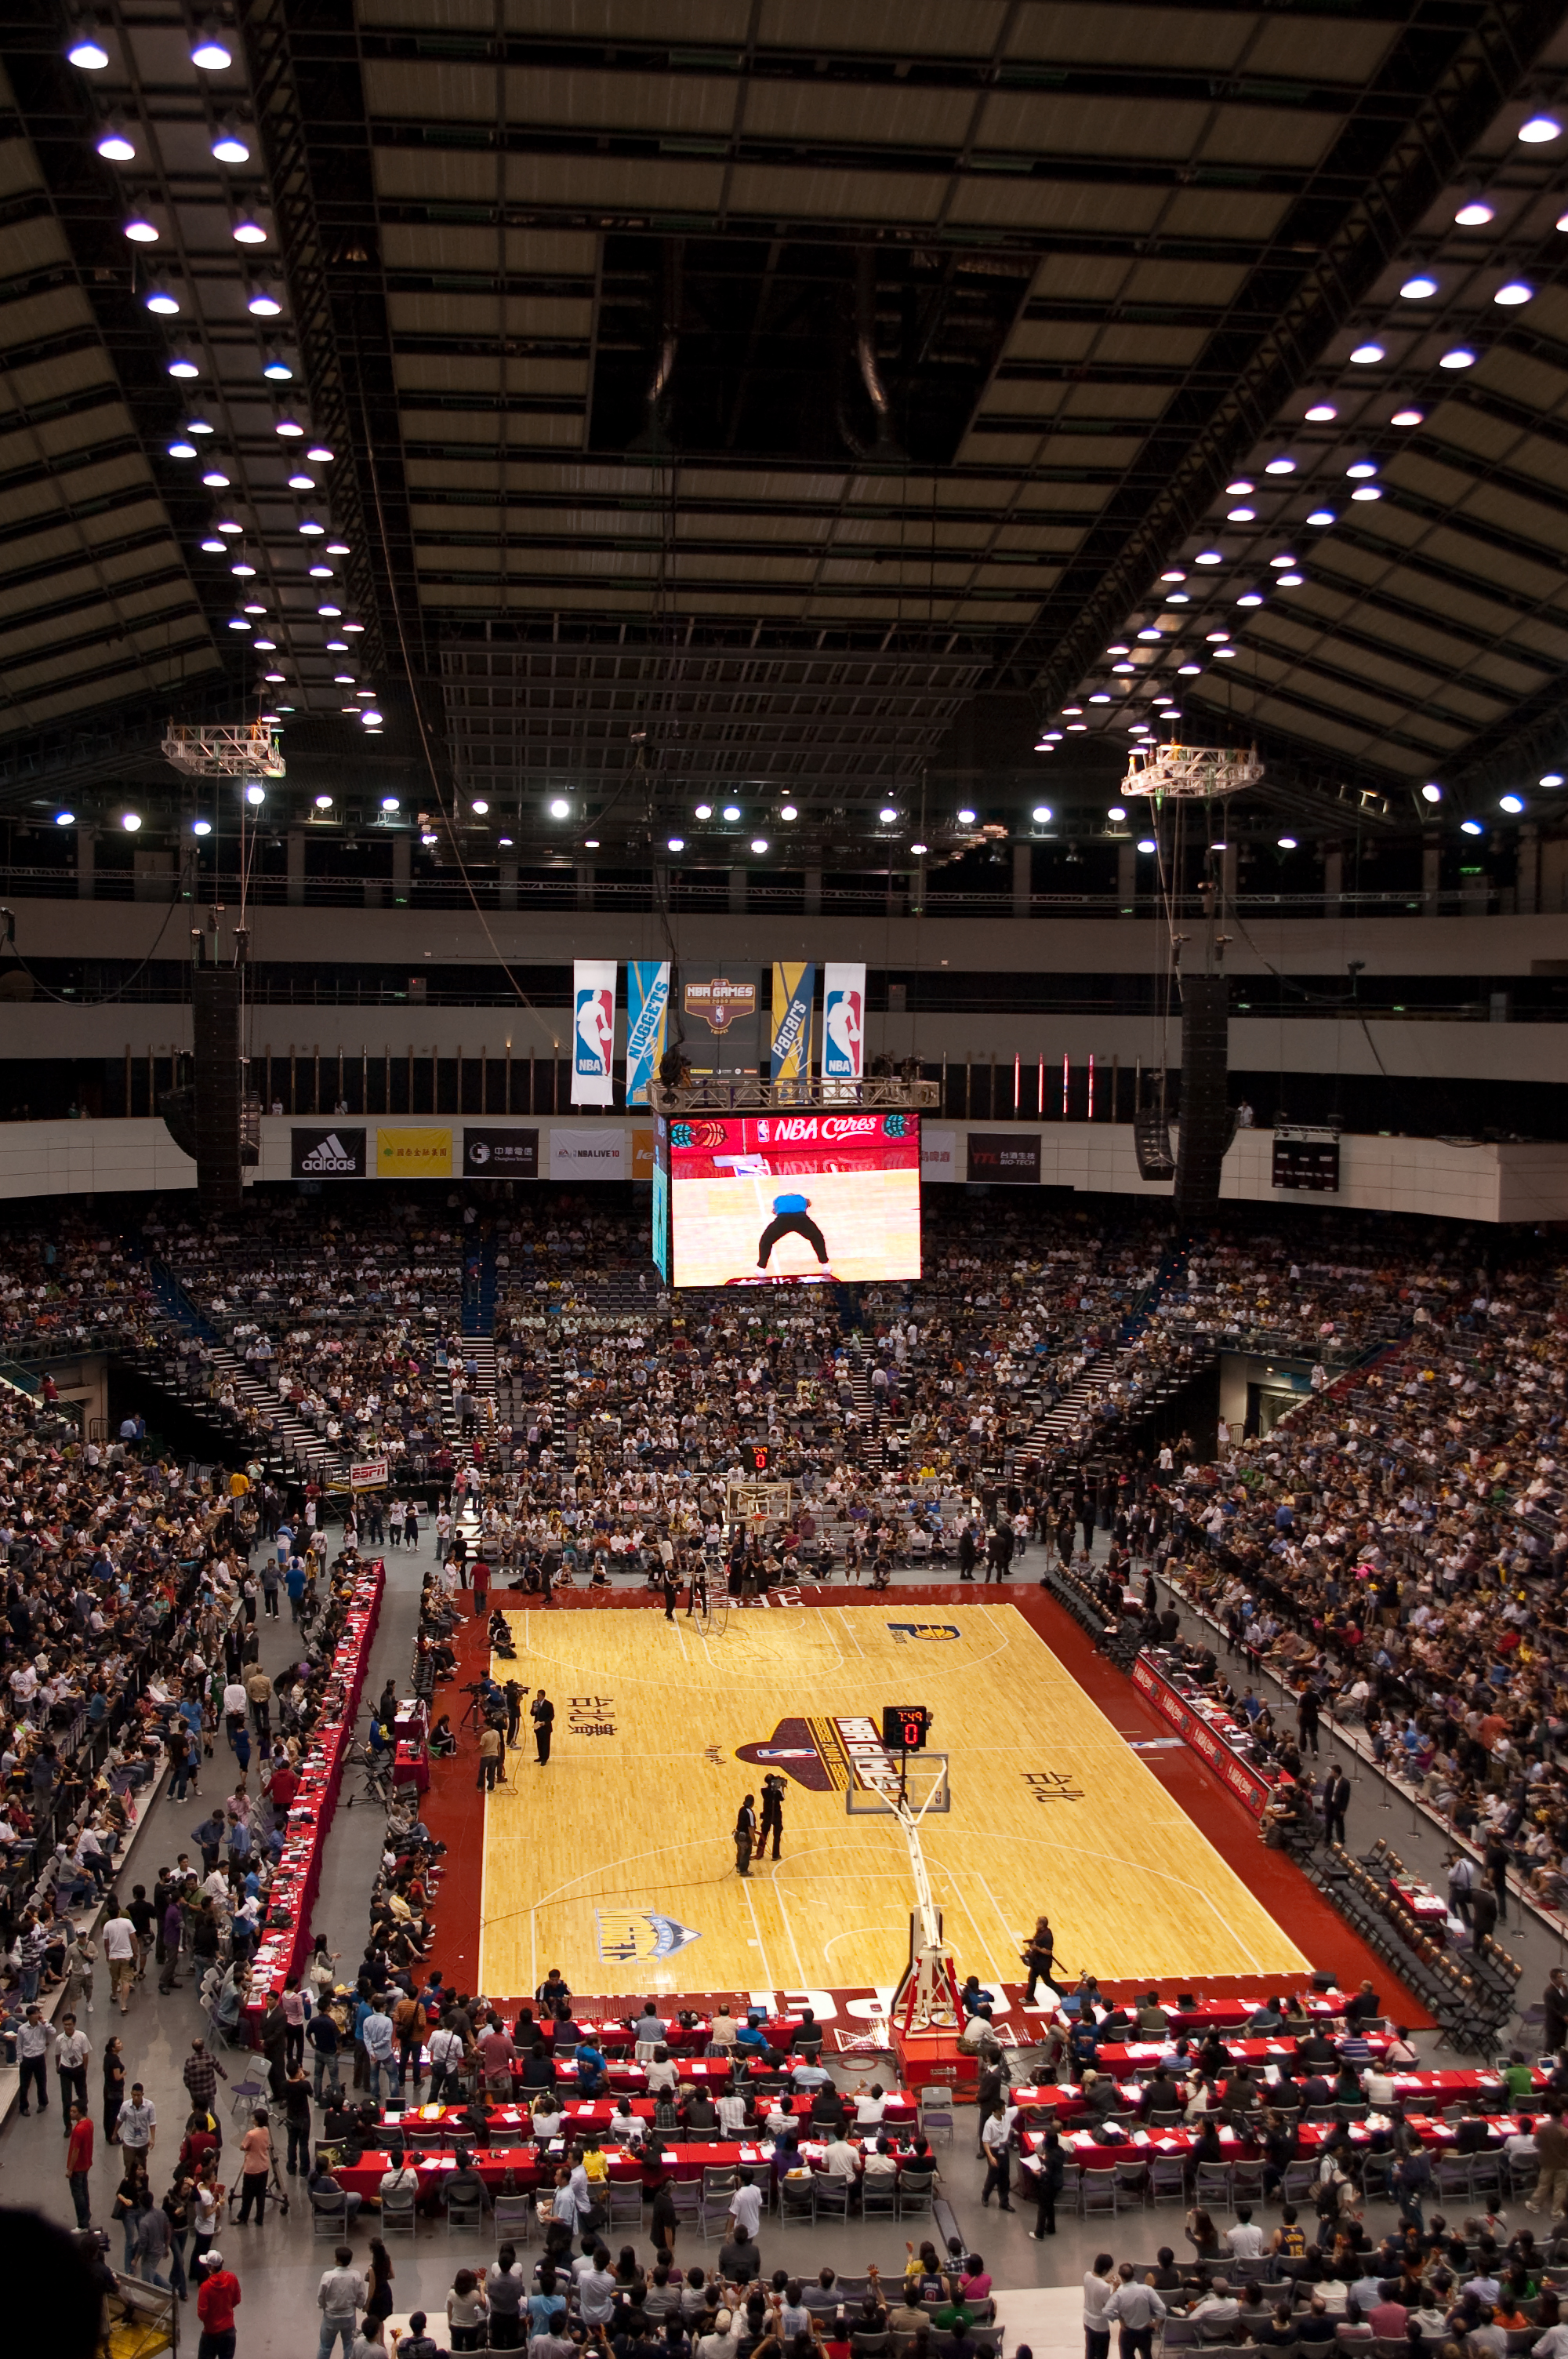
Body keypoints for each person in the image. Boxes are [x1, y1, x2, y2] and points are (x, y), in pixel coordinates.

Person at [1102, 2262, 1166, 2359]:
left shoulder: (1119, 2295)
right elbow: (1161, 2308)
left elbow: (1106, 2311)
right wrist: (1156, 2323)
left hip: (1128, 2332)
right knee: (1146, 2355)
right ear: (1134, 2274)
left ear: (1121, 2277)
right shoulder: (1147, 2290)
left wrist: (1119, 2316)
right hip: (1145, 2331)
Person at [318, 2245, 366, 2359]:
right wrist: (358, 2305)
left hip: (331, 2317)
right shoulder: (355, 2276)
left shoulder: (328, 2276)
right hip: (349, 2317)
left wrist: (322, 2305)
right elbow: (361, 2296)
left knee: (325, 2347)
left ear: (336, 2259)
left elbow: (321, 2296)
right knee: (349, 2346)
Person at [195, 2248, 241, 2359]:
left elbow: (202, 2313)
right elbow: (237, 2299)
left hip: (211, 2334)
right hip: (229, 2332)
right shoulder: (232, 2278)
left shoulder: (205, 2287)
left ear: (210, 2267)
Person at [236, 2108, 273, 2223]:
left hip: (252, 2168)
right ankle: (259, 2217)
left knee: (247, 2195)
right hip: (264, 2166)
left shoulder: (251, 2134)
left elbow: (243, 2147)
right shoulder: (266, 2130)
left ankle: (243, 2217)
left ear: (257, 2121)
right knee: (260, 2194)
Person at [1029, 2125, 1064, 2238]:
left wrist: (1036, 2173)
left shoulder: (1049, 2157)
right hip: (1059, 2182)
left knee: (1043, 2207)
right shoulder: (1060, 2150)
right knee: (1050, 2204)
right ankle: (1051, 2227)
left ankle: (1039, 2233)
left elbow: (1046, 2173)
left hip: (1050, 2184)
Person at [66, 2100, 94, 2226]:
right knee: (84, 2191)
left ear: (80, 2112)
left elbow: (75, 2151)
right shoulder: (89, 2123)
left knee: (78, 2195)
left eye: (74, 2112)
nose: (71, 2114)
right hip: (86, 2163)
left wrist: (70, 2169)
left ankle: (82, 2223)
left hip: (78, 2167)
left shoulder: (78, 2130)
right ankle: (87, 2215)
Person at [759, 1775, 785, 1861]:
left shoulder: (763, 1790)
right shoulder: (777, 1791)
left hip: (767, 1815)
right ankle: (775, 1855)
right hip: (776, 1815)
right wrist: (781, 1787)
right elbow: (782, 1798)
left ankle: (759, 1853)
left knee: (763, 1834)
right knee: (777, 1835)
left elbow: (767, 1788)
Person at [734, 1795, 756, 1879]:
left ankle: (739, 1866)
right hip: (745, 1837)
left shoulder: (741, 1809)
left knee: (740, 1851)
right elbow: (751, 1828)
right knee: (746, 1853)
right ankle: (744, 1871)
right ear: (753, 1803)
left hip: (738, 1835)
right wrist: (754, 1840)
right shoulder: (750, 1813)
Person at [532, 1690, 554, 1765]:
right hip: (538, 1727)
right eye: (537, 1695)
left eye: (539, 1696)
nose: (538, 1697)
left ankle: (545, 1758)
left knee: (546, 1743)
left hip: (545, 1727)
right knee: (539, 1742)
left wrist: (545, 1722)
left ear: (543, 1696)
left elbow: (551, 1716)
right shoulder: (535, 1703)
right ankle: (540, 1756)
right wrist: (533, 1711)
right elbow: (532, 1713)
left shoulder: (548, 1705)